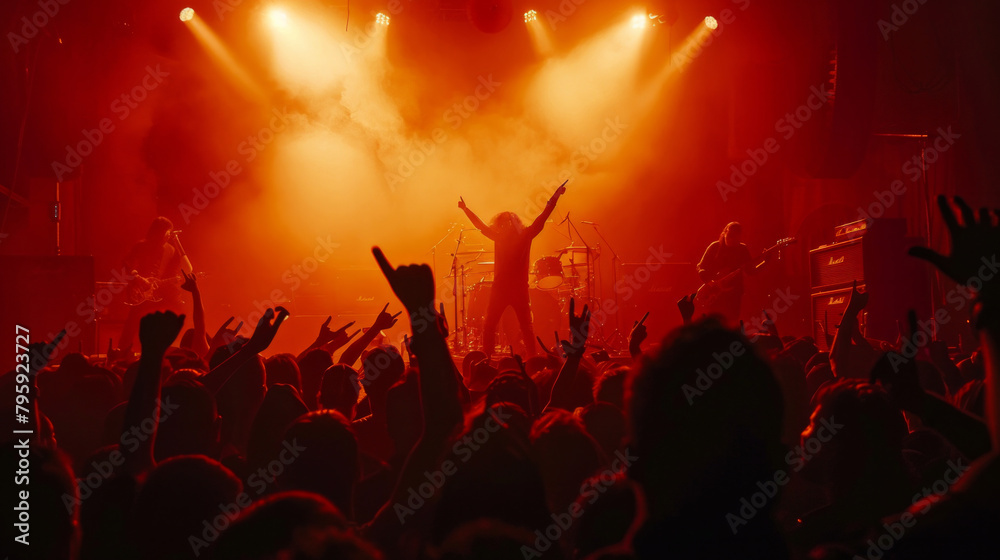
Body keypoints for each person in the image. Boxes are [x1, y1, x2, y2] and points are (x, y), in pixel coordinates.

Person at [459, 184, 566, 356]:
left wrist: (555, 196)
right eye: (506, 222)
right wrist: (466, 210)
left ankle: (524, 358)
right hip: (507, 289)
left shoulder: (520, 235)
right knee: (498, 326)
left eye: (511, 220)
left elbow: (543, 216)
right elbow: (481, 226)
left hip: (511, 289)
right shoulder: (510, 236)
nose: (509, 223)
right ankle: (524, 358)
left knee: (511, 326)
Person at [116, 216, 192, 355]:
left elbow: (179, 271)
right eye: (166, 233)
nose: (167, 236)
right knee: (132, 324)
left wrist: (175, 282)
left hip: (160, 295)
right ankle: (120, 353)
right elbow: (127, 264)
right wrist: (138, 278)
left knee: (169, 319)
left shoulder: (171, 250)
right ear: (158, 232)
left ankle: (160, 353)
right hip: (140, 292)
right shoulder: (141, 246)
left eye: (169, 233)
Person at [696, 221, 753, 324]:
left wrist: (765, 262)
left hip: (733, 294)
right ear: (725, 232)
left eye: (735, 237)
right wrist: (710, 281)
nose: (731, 239)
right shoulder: (714, 247)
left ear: (739, 237)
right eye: (730, 235)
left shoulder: (742, 249)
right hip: (715, 294)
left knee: (732, 323)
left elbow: (751, 271)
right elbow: (701, 267)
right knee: (714, 323)